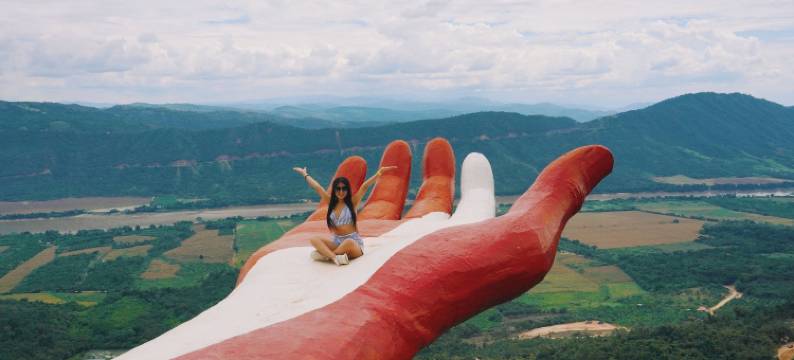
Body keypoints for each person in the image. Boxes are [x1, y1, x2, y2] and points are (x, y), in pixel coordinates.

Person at [292, 165, 396, 265]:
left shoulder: (352, 202)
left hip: (353, 244)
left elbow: (364, 187)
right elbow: (317, 187)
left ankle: (325, 255)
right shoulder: (331, 203)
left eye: (344, 189)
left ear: (347, 190)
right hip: (337, 242)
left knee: (348, 242)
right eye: (338, 189)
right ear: (334, 190)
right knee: (314, 239)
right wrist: (305, 174)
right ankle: (334, 257)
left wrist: (379, 173)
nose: (341, 192)